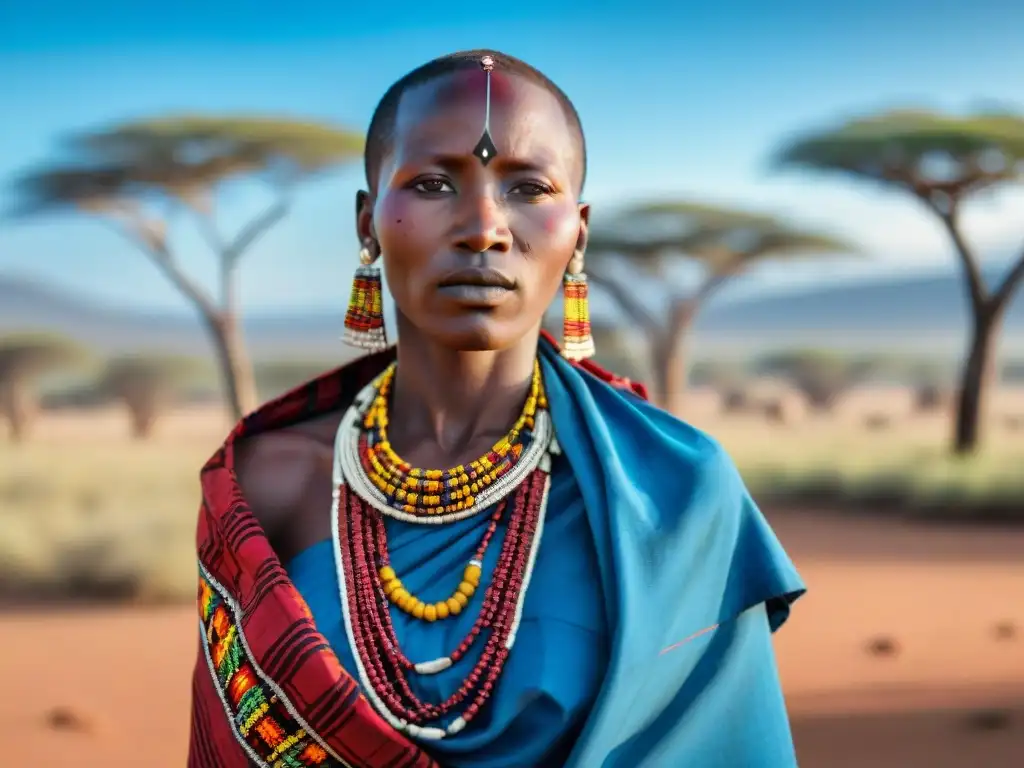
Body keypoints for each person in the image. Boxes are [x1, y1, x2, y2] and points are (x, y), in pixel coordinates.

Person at [187, 49, 806, 768]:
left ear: (578, 230)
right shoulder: (269, 488)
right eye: (432, 183)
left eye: (528, 188)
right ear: (367, 222)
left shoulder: (670, 496)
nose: (483, 226)